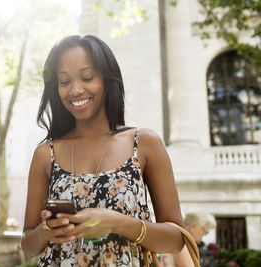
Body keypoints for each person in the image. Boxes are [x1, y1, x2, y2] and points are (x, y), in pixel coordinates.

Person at [21, 35, 185, 266]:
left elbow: (177, 240)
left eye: (87, 77)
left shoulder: (144, 143)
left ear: (108, 80)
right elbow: (28, 244)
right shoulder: (45, 154)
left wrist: (119, 223)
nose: (75, 90)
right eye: (64, 81)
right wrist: (45, 232)